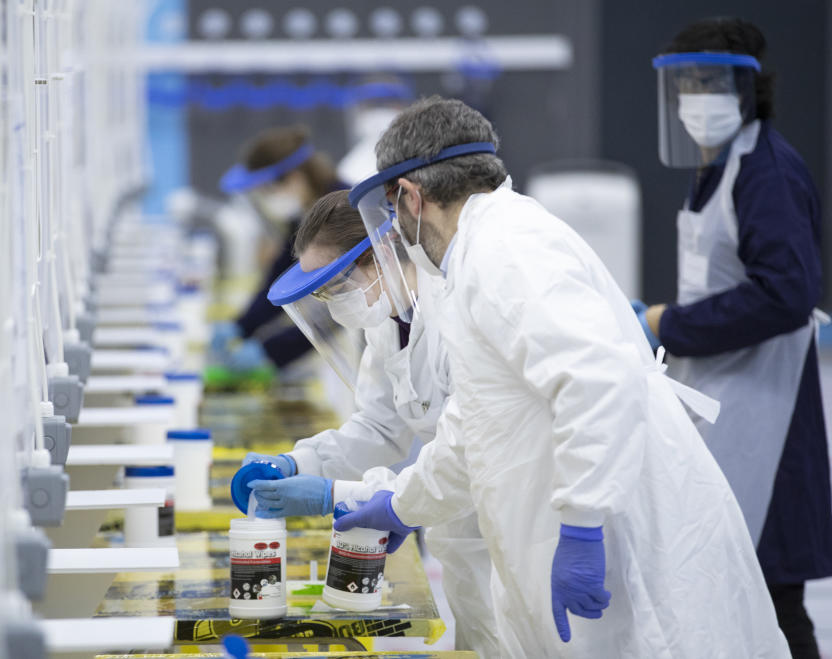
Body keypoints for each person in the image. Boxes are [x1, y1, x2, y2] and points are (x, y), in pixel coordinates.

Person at [336, 96, 791, 657]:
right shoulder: (483, 251)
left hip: (622, 546)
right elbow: (478, 426)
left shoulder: (504, 250)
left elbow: (595, 379)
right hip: (586, 531)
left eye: (392, 211)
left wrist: (581, 523)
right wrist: (404, 504)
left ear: (410, 196)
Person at [634, 18, 832, 658]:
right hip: (723, 405)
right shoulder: (719, 166)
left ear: (747, 87)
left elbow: (786, 293)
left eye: (708, 81)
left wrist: (668, 323)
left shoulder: (767, 172)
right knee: (726, 599)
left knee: (773, 605)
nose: (695, 95)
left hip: (767, 424)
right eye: (685, 82)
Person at [233, 190, 502, 656]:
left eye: (337, 285)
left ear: (382, 256)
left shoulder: (457, 313)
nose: (335, 303)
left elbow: (467, 455)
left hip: (511, 527)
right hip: (461, 537)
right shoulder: (386, 321)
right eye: (323, 292)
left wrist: (334, 495)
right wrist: (298, 463)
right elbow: (378, 428)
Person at [212, 125, 341, 372]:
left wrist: (269, 351)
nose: (264, 199)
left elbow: (336, 311)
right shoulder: (306, 215)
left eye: (265, 190)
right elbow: (280, 277)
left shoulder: (341, 213)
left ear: (294, 178)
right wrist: (242, 326)